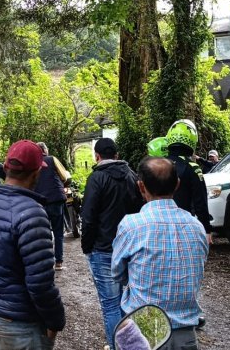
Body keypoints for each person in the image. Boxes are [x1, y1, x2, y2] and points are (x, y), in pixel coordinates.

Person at [0, 140, 66, 349]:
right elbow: (40, 283)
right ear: (36, 173)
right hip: (21, 325)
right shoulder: (32, 213)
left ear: (6, 168)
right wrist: (56, 320)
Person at [113, 157, 209, 350]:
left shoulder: (131, 225)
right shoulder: (196, 227)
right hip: (187, 335)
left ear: (141, 187)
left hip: (144, 334)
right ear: (177, 185)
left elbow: (117, 273)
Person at [81, 137, 143, 348]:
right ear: (116, 155)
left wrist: (87, 246)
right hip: (130, 248)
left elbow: (88, 217)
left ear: (96, 156)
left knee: (110, 305)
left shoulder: (96, 179)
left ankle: (116, 346)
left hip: (104, 249)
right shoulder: (132, 175)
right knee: (129, 302)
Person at [164, 120, 213, 241]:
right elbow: (200, 201)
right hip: (183, 225)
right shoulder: (192, 167)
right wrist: (206, 228)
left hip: (156, 224)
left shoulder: (156, 164)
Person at [35, 142, 72, 271]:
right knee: (58, 233)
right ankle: (59, 263)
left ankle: (45, 262)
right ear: (46, 150)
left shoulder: (33, 163)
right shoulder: (52, 159)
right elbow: (65, 176)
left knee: (42, 233)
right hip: (55, 199)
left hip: (39, 202)